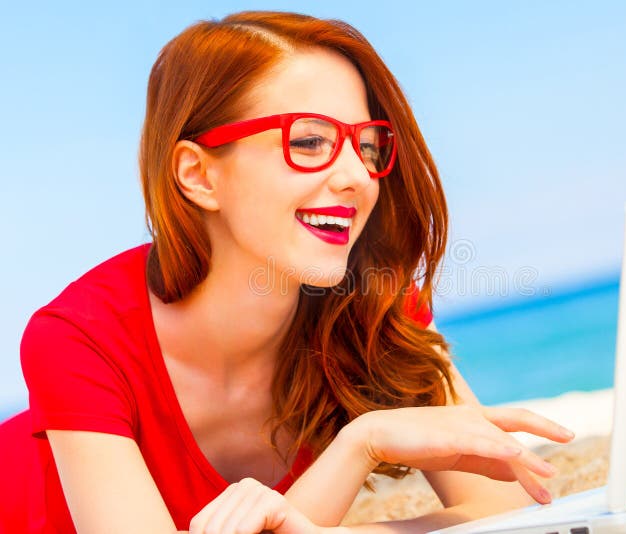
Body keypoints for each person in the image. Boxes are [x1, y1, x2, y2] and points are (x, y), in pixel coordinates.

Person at [0, 11, 574, 534]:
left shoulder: (370, 308)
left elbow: (504, 511)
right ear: (198, 175)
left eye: (368, 146)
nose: (358, 176)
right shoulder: (79, 340)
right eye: (309, 141)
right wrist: (360, 444)